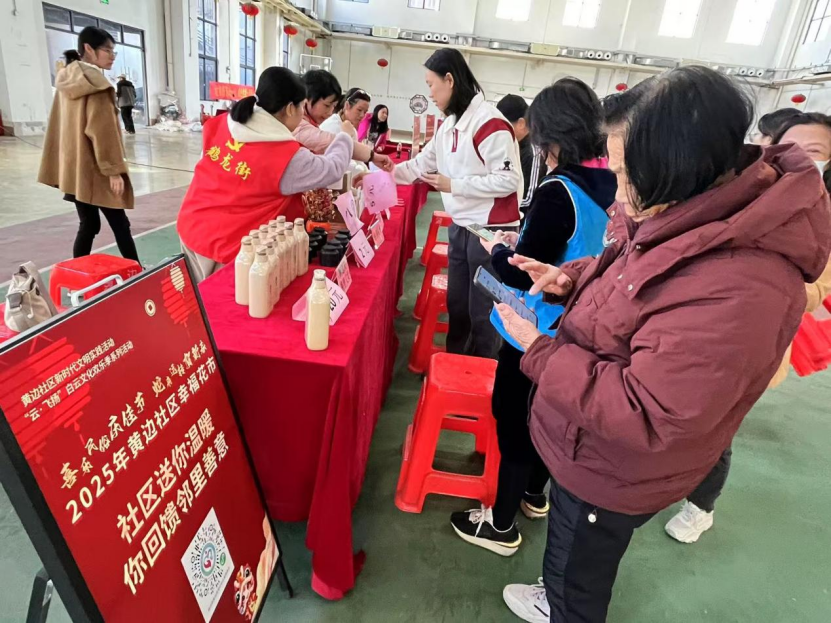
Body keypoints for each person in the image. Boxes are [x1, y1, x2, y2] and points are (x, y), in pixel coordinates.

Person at [494, 66, 831, 623]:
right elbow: (631, 275)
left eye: (626, 175)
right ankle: (555, 595)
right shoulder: (685, 212)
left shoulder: (739, 284)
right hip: (590, 445)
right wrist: (571, 277)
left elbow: (645, 411)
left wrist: (539, 349)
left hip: (612, 463)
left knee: (579, 572)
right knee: (570, 552)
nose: (618, 193)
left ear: (677, 165)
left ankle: (564, 607)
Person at [450, 78, 616, 555]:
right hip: (580, 324)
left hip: (534, 327)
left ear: (552, 137)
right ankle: (533, 496)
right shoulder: (612, 184)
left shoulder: (558, 191)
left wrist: (499, 251)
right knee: (552, 414)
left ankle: (500, 525)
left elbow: (521, 272)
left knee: (515, 419)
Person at [664, 110, 831, 545]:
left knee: (717, 429)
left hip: (753, 344)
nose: (801, 158)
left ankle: (701, 507)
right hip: (697, 327)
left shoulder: (824, 220)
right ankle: (663, 481)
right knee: (677, 412)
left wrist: (759, 283)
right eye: (791, 146)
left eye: (815, 151)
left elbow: (817, 289)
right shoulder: (746, 192)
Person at [393, 48, 523, 358]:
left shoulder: (490, 123)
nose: (430, 93)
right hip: (462, 225)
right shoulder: (449, 124)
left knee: (484, 311)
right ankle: (455, 364)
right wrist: (384, 172)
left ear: (449, 80)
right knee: (458, 304)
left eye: (431, 84)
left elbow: (508, 180)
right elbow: (422, 164)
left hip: (490, 230)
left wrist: (454, 185)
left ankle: (481, 372)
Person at [177, 67, 352, 282]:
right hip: (227, 245)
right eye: (301, 107)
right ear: (290, 109)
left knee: (194, 297)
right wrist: (345, 137)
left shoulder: (222, 124)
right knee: (218, 299)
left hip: (192, 226)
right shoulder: (285, 156)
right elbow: (333, 168)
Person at [38, 28, 139, 263]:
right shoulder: (97, 85)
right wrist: (113, 170)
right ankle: (138, 271)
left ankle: (76, 273)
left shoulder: (67, 79)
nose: (112, 56)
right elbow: (102, 132)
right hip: (97, 168)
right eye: (107, 50)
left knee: (89, 224)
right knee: (120, 225)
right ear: (88, 49)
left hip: (74, 168)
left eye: (114, 51)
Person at [293, 69, 392, 172]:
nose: (330, 112)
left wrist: (371, 158)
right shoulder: (303, 126)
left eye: (333, 106)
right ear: (306, 99)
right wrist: (347, 136)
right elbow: (333, 144)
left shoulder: (342, 125)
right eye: (327, 105)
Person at [496, 94, 544, 208]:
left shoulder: (533, 153)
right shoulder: (509, 144)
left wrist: (494, 203)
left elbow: (529, 199)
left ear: (521, 123)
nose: (498, 131)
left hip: (520, 216)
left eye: (502, 126)